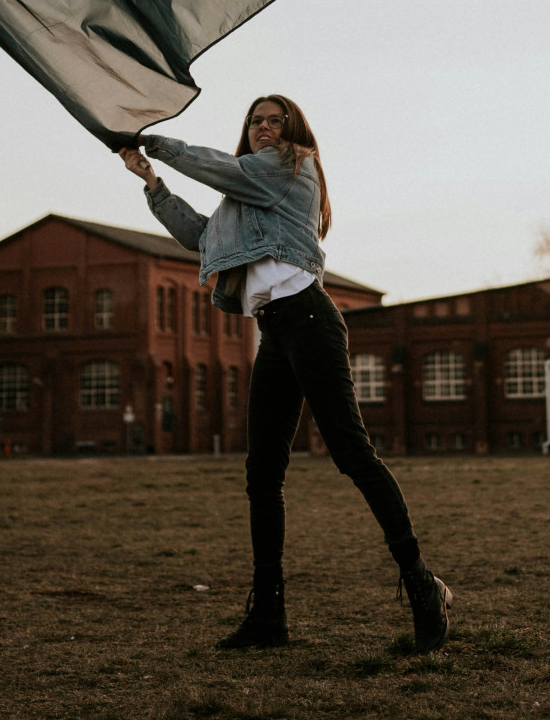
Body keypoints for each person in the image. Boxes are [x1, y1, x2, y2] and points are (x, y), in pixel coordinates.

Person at [119, 94, 451, 652]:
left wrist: (157, 141)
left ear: (293, 129)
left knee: (351, 453)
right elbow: (201, 238)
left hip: (311, 318)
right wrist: (151, 181)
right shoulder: (241, 197)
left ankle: (423, 586)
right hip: (274, 329)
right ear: (246, 129)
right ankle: (269, 616)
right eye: (257, 121)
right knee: (262, 473)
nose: (266, 128)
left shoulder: (293, 165)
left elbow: (223, 168)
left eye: (277, 120)